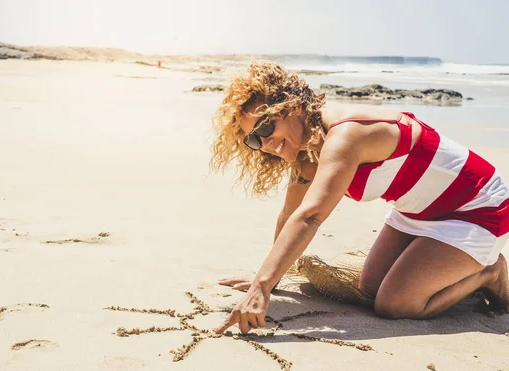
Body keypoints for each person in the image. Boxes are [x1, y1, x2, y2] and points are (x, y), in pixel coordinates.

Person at [210, 61, 509, 335]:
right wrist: (267, 279)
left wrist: (261, 289)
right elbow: (291, 214)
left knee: (395, 304)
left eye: (265, 127)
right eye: (253, 139)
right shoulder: (309, 152)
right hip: (418, 212)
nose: (265, 143)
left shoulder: (346, 135)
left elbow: (311, 216)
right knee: (370, 287)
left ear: (291, 106)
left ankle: (489, 271)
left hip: (477, 207)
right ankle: (459, 265)